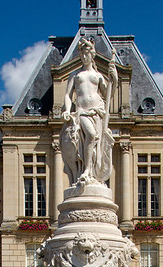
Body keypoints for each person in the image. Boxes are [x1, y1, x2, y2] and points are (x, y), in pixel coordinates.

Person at [60, 38, 117, 186]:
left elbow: (108, 94)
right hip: (81, 112)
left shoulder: (98, 76)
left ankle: (90, 171)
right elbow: (67, 95)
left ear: (92, 55)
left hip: (97, 112)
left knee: (95, 142)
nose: (84, 57)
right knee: (91, 135)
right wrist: (67, 109)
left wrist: (115, 79)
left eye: (87, 54)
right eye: (82, 54)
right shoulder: (75, 76)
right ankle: (85, 170)